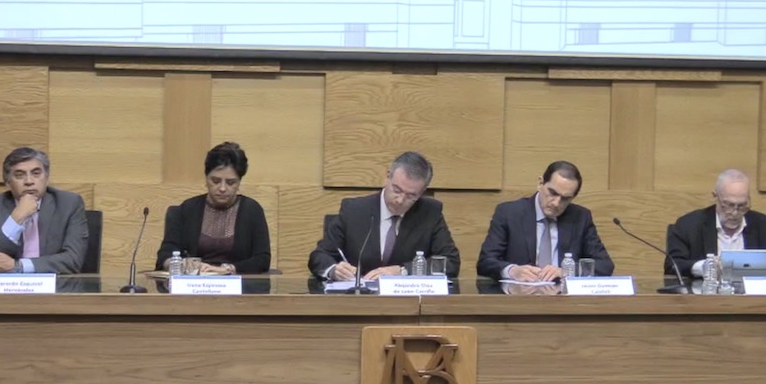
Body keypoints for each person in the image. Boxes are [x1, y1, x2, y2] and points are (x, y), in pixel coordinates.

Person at [308, 151, 460, 280]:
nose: (400, 200)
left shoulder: (430, 213)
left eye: (411, 196)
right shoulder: (354, 210)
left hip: (407, 301)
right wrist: (334, 270)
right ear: (387, 176)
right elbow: (319, 256)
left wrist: (403, 271)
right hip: (359, 300)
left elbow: (450, 262)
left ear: (422, 192)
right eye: (397, 190)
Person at [477, 160, 614, 281]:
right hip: (519, 296)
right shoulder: (509, 213)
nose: (556, 203)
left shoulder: (580, 217)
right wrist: (512, 271)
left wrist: (566, 272)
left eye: (565, 198)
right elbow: (485, 262)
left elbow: (605, 265)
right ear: (540, 183)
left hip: (563, 298)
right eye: (553, 193)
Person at [155, 142, 271, 274]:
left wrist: (226, 269)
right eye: (215, 181)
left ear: (239, 182)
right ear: (206, 179)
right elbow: (164, 256)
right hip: (194, 283)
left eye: (230, 182)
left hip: (236, 283)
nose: (222, 188)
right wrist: (182, 265)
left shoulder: (252, 210)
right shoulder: (186, 210)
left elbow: (262, 259)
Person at [0, 147, 89, 274]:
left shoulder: (69, 204)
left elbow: (73, 260)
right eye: (19, 175)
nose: (29, 181)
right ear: (7, 182)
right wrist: (16, 218)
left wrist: (18, 266)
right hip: (8, 285)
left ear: (46, 177)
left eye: (36, 174)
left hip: (56, 284)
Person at [665, 168, 766, 277]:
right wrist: (703, 267)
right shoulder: (689, 225)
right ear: (715, 197)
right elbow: (672, 265)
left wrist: (765, 271)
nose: (734, 212)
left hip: (751, 296)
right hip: (705, 297)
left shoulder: (763, 225)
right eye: (728, 205)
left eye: (742, 206)